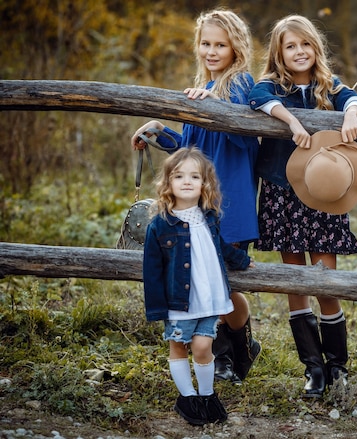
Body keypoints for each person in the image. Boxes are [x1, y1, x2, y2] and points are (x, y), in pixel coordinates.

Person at [131, 9, 260, 385]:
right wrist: (159, 132)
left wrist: (210, 104)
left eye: (221, 44)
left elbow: (240, 135)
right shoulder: (201, 86)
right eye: (206, 43)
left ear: (236, 47)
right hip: (197, 204)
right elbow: (191, 148)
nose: (212, 51)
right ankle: (227, 353)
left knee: (225, 284)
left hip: (229, 202)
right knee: (206, 280)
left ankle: (237, 344)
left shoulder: (241, 85)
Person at [248, 14, 357, 398]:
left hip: (322, 197)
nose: (299, 52)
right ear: (278, 53)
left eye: (305, 44)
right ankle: (313, 370)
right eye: (290, 46)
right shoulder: (272, 85)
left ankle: (338, 369)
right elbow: (257, 97)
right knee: (295, 283)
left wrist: (350, 112)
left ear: (315, 48)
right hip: (283, 191)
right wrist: (291, 121)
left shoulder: (328, 87)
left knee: (325, 283)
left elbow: (356, 98)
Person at [142, 147, 254, 425]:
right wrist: (157, 309)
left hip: (210, 299)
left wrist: (240, 259)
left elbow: (221, 248)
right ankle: (188, 399)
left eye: (194, 176)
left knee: (204, 347)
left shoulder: (210, 217)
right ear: (168, 183)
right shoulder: (160, 225)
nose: (187, 181)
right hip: (178, 303)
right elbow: (152, 271)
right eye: (179, 176)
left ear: (205, 183)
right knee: (179, 346)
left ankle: (207, 395)